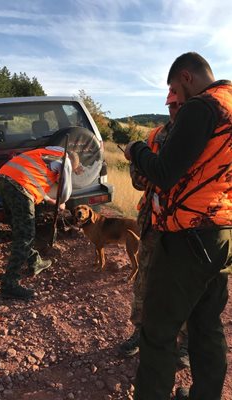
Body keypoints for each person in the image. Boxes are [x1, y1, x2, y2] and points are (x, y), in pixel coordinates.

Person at [124, 52, 232, 400]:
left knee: (157, 333)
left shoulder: (202, 107)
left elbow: (165, 173)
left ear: (186, 78)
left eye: (174, 89)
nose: (175, 100)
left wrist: (136, 150)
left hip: (188, 237)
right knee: (206, 327)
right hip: (223, 235)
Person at [120, 90, 189, 369]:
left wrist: (157, 172)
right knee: (144, 283)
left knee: (185, 288)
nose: (175, 109)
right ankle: (140, 333)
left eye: (180, 104)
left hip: (187, 228)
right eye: (171, 105)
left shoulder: (202, 136)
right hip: (152, 224)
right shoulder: (155, 136)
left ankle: (185, 346)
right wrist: (153, 171)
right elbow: (138, 177)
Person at [0, 145, 75, 300]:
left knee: (21, 228)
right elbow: (65, 192)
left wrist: (51, 201)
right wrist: (61, 202)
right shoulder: (66, 161)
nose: (57, 179)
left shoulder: (49, 152)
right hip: (20, 185)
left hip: (5, 178)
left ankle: (35, 262)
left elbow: (35, 184)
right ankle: (9, 284)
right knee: (26, 236)